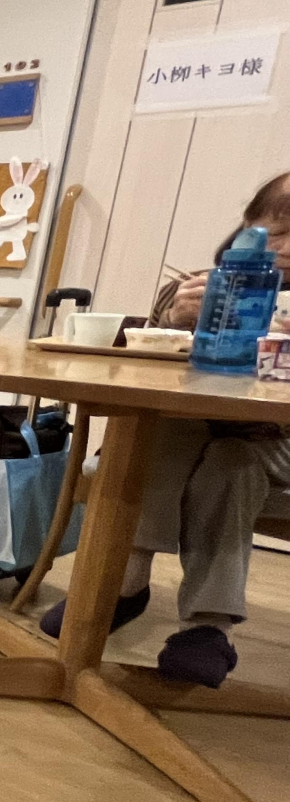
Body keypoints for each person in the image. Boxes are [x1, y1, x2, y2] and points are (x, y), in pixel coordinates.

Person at [40, 171, 290, 686]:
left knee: (231, 453)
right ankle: (167, 606)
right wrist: (178, 317)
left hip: (278, 442)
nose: (285, 248)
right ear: (249, 227)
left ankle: (155, 603)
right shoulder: (199, 286)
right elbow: (148, 362)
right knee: (187, 439)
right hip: (199, 438)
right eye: (278, 231)